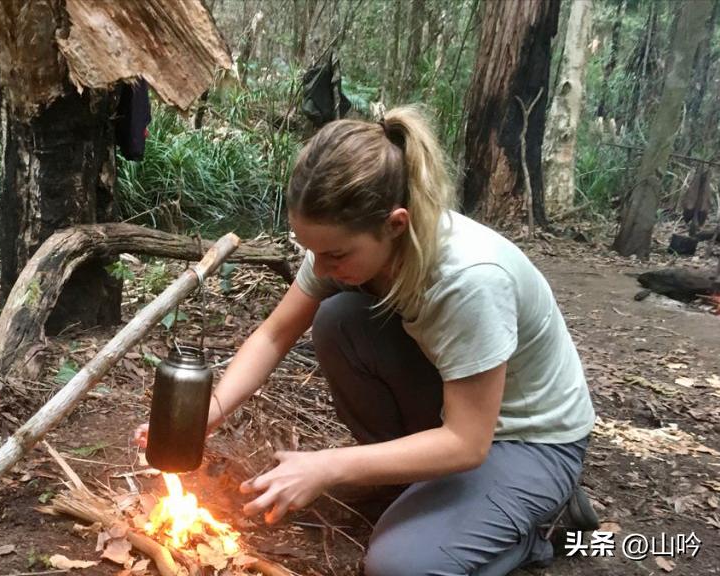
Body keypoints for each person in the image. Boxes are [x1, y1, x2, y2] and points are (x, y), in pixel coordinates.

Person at [137, 106, 598, 575]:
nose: (320, 267)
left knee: (400, 567)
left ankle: (540, 527)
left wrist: (328, 466)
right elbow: (275, 334)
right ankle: (421, 495)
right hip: (460, 411)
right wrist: (207, 413)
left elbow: (466, 442)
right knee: (339, 320)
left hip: (529, 440)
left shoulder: (469, 280)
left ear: (395, 224)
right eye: (311, 250)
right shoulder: (346, 247)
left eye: (334, 254)